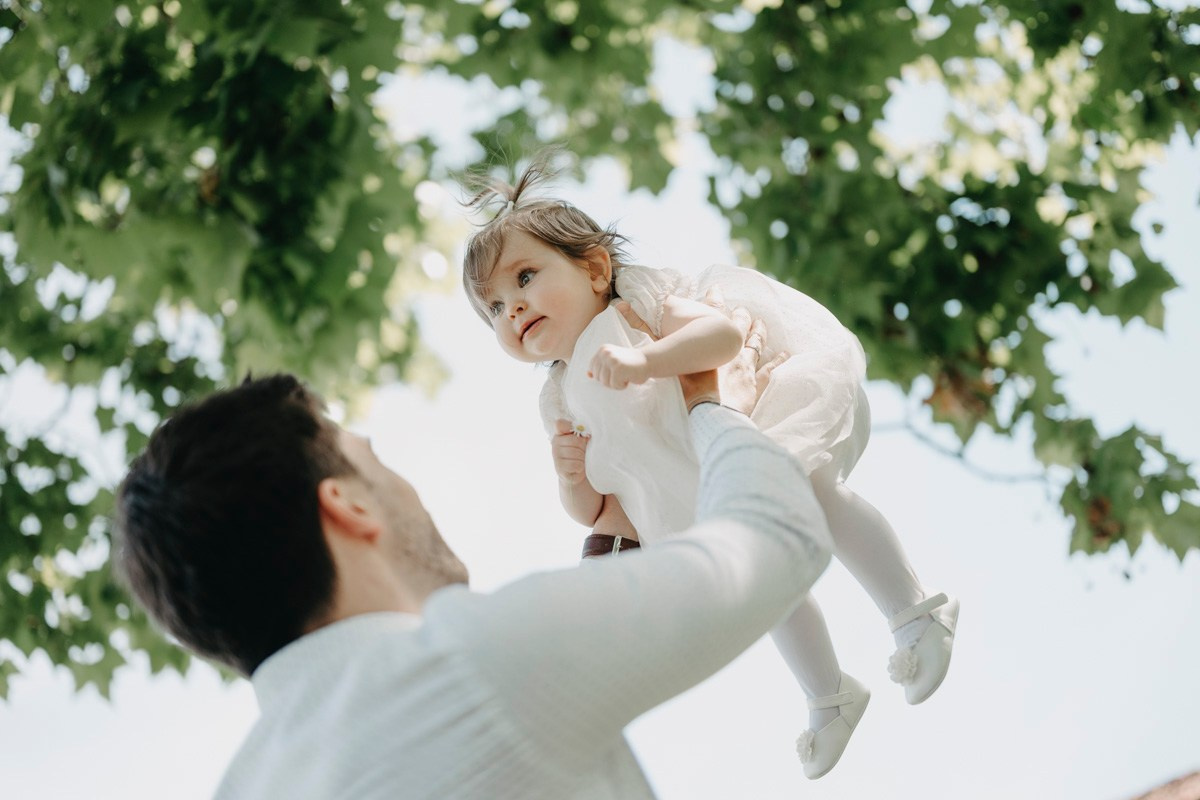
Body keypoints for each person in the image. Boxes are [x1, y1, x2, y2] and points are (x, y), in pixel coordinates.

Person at [112, 352, 833, 799]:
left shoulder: (242, 787)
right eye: (376, 461)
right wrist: (708, 404)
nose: (407, 487)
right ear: (348, 504)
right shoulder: (468, 665)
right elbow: (776, 540)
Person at [461, 153, 960, 779]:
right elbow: (602, 510)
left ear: (593, 268)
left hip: (751, 429)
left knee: (817, 493)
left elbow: (720, 338)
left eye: (526, 278)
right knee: (768, 592)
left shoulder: (638, 306)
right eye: (495, 308)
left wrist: (650, 361)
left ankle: (915, 610)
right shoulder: (559, 397)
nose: (513, 309)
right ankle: (830, 695)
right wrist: (570, 478)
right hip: (699, 497)